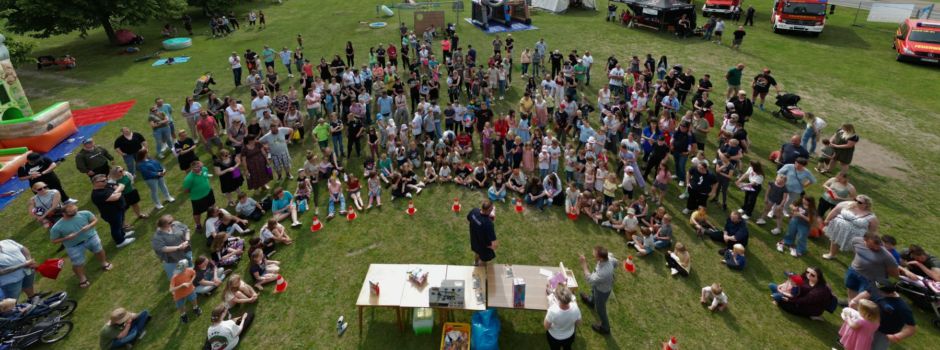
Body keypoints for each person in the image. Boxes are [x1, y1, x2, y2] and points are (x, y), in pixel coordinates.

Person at [50, 204, 114, 289]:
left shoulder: (85, 213)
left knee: (99, 250)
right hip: (74, 246)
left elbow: (95, 220)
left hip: (91, 237)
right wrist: (67, 237)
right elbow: (54, 241)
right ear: (63, 213)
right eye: (71, 214)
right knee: (78, 263)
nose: (75, 214)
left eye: (75, 212)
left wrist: (89, 226)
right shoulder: (57, 227)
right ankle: (82, 279)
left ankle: (104, 263)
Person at [849, 280, 917, 349]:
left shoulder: (902, 307)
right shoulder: (877, 286)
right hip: (867, 324)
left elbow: (911, 328)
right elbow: (867, 293)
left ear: (883, 293)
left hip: (882, 333)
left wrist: (897, 336)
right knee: (856, 345)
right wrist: (855, 300)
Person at [844, 233, 899, 300]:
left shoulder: (887, 255)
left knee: (864, 298)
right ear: (865, 240)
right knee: (851, 288)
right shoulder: (856, 241)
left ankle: (858, 307)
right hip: (854, 271)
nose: (876, 248)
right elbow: (856, 251)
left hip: (870, 279)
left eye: (878, 246)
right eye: (872, 246)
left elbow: (895, 273)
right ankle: (850, 304)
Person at [823, 194, 877, 260]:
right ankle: (832, 254)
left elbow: (872, 230)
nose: (856, 202)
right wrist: (827, 220)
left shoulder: (871, 217)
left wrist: (868, 239)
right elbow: (836, 210)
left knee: (856, 249)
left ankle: (857, 263)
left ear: (866, 204)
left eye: (859, 202)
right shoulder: (847, 204)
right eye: (855, 200)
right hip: (839, 228)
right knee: (835, 240)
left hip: (855, 235)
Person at [90, 174, 136, 248]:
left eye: (106, 179)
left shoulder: (106, 185)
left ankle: (123, 234)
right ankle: (120, 242)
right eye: (103, 181)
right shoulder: (97, 194)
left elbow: (121, 186)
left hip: (118, 209)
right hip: (111, 214)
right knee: (115, 227)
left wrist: (116, 190)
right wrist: (118, 191)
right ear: (96, 183)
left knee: (120, 223)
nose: (106, 181)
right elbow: (115, 197)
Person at [579, 245, 615, 334]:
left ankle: (605, 327)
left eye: (595, 255)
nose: (593, 255)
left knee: (600, 309)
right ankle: (591, 301)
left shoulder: (603, 273)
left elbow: (590, 279)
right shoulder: (609, 257)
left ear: (601, 259)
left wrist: (584, 265)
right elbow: (616, 262)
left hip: (602, 291)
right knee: (593, 291)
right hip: (598, 285)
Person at [152, 214, 193, 280]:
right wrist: (178, 248)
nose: (173, 223)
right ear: (163, 224)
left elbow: (187, 230)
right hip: (174, 258)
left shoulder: (176, 224)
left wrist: (187, 241)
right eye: (170, 222)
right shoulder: (158, 237)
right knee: (179, 273)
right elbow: (162, 248)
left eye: (172, 221)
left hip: (186, 250)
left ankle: (191, 270)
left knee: (189, 260)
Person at [544, 286, 581, 350]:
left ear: (558, 299)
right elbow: (578, 323)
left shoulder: (552, 310)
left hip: (554, 338)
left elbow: (546, 326)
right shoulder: (575, 308)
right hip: (569, 336)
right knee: (567, 348)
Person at [183, 160, 216, 231]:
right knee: (197, 213)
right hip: (197, 198)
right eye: (198, 167)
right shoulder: (189, 178)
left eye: (201, 166)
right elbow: (186, 191)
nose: (201, 168)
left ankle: (212, 218)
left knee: (212, 206)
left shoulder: (204, 169)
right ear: (192, 168)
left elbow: (206, 175)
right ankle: (198, 225)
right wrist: (197, 190)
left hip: (208, 192)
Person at [467, 200, 497, 266]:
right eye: (492, 209)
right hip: (484, 247)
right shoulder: (488, 224)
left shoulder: (474, 211)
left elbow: (469, 218)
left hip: (474, 240)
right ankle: (481, 272)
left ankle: (475, 263)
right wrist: (492, 247)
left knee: (477, 253)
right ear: (489, 211)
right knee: (484, 260)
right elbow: (494, 245)